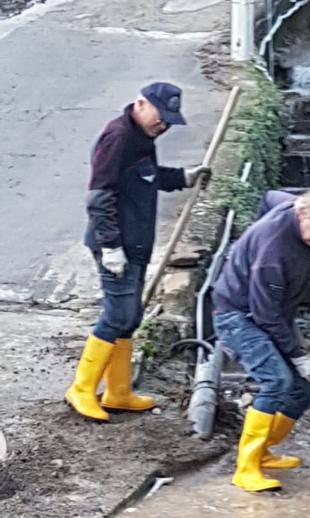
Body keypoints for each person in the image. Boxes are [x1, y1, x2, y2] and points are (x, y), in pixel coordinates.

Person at [65, 82, 210, 422]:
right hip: (116, 245)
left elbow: (145, 177)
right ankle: (82, 389)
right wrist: (111, 246)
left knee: (130, 317)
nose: (165, 127)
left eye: (169, 121)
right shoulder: (118, 137)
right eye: (161, 118)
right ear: (142, 105)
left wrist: (183, 177)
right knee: (116, 315)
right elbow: (100, 197)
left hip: (137, 243)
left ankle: (118, 392)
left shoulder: (143, 138)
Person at [213, 185, 310, 493]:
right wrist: (297, 354)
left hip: (266, 314)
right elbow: (266, 315)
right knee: (276, 381)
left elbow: (270, 195)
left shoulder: (290, 206)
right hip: (237, 316)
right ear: (304, 214)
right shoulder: (273, 251)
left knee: (302, 390)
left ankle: (264, 450)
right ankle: (246, 468)